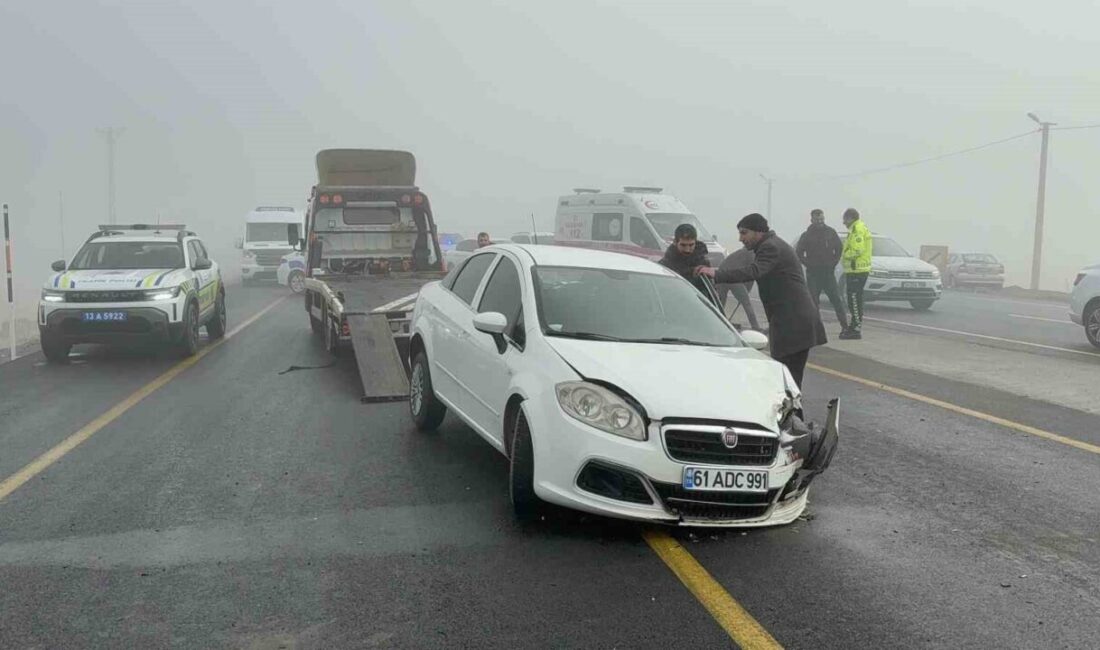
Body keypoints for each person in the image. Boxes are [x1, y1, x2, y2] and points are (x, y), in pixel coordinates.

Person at [694, 213, 826, 388]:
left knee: (787, 381)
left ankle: (794, 415)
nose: (740, 238)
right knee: (786, 379)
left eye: (744, 233)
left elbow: (754, 271)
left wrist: (716, 273)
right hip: (792, 321)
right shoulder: (771, 244)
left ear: (758, 232)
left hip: (794, 322)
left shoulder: (770, 247)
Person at [796, 209, 849, 334]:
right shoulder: (807, 235)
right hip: (813, 274)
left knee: (836, 300)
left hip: (828, 273)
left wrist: (833, 263)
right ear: (812, 220)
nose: (820, 222)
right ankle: (816, 329)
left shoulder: (830, 233)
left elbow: (839, 248)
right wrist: (808, 264)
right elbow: (799, 252)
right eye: (817, 219)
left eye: (822, 219)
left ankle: (845, 326)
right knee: (813, 302)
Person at [839, 208, 872, 340]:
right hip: (857, 270)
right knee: (855, 299)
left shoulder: (857, 229)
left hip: (857, 270)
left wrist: (845, 256)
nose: (843, 222)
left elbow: (857, 249)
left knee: (854, 300)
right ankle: (854, 326)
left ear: (851, 218)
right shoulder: (858, 228)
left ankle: (855, 329)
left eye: (845, 219)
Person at [715, 247, 762, 331]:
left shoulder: (743, 251)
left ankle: (716, 322)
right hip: (732, 277)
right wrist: (746, 292)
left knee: (720, 304)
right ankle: (756, 327)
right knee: (746, 303)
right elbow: (751, 274)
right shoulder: (752, 253)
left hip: (721, 275)